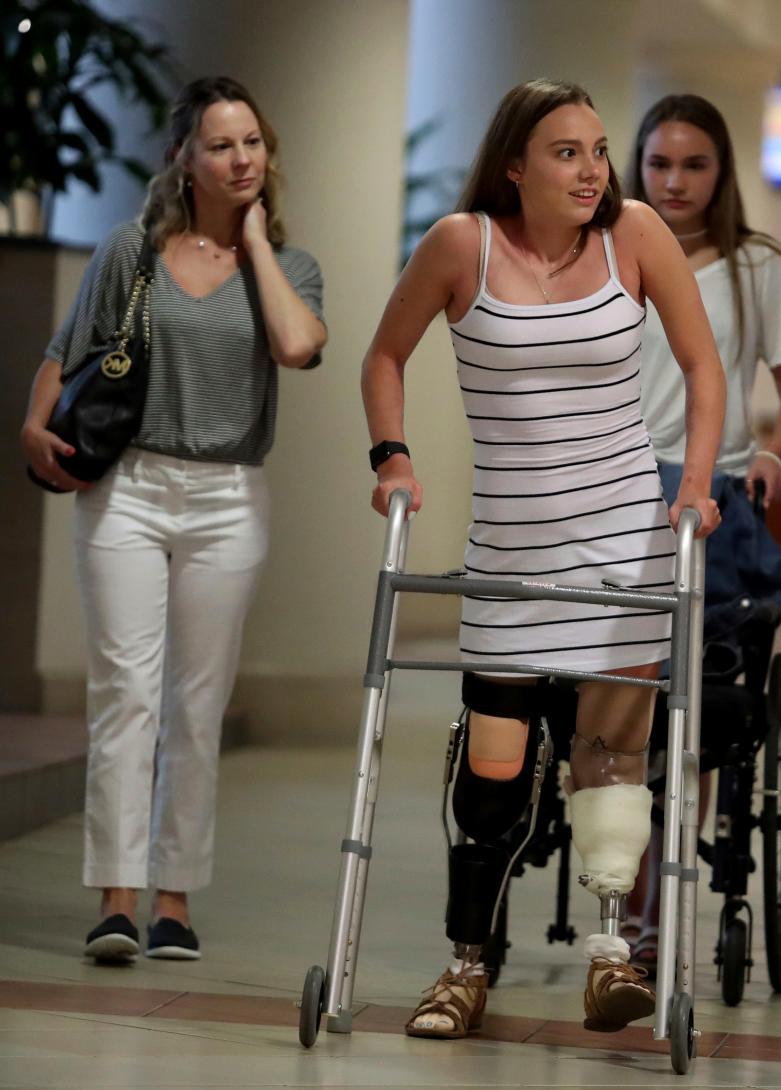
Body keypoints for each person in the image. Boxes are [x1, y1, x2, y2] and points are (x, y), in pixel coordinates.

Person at [361, 78, 724, 1040]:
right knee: (494, 768)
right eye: (567, 152)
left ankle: (613, 957)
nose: (593, 169)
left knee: (610, 757)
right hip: (511, 554)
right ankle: (465, 965)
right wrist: (391, 456)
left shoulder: (635, 236)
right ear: (514, 164)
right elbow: (384, 355)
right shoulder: (459, 245)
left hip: (622, 548)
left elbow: (702, 365)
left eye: (599, 150)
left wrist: (691, 485)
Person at [20, 77, 327, 963]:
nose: (241, 160)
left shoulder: (292, 267)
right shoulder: (133, 251)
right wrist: (34, 427)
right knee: (125, 692)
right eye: (222, 145)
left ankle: (176, 900)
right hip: (127, 488)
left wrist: (259, 243)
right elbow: (64, 352)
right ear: (185, 159)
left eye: (253, 144)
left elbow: (299, 346)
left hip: (229, 497)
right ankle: (117, 897)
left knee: (197, 705)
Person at [624, 93, 781, 973]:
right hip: (617, 489)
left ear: (722, 171)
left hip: (717, 493)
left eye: (693, 164)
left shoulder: (756, 265)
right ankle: (621, 882)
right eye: (660, 163)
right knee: (620, 697)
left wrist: (775, 454)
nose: (674, 181)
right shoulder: (604, 249)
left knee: (697, 701)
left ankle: (661, 886)